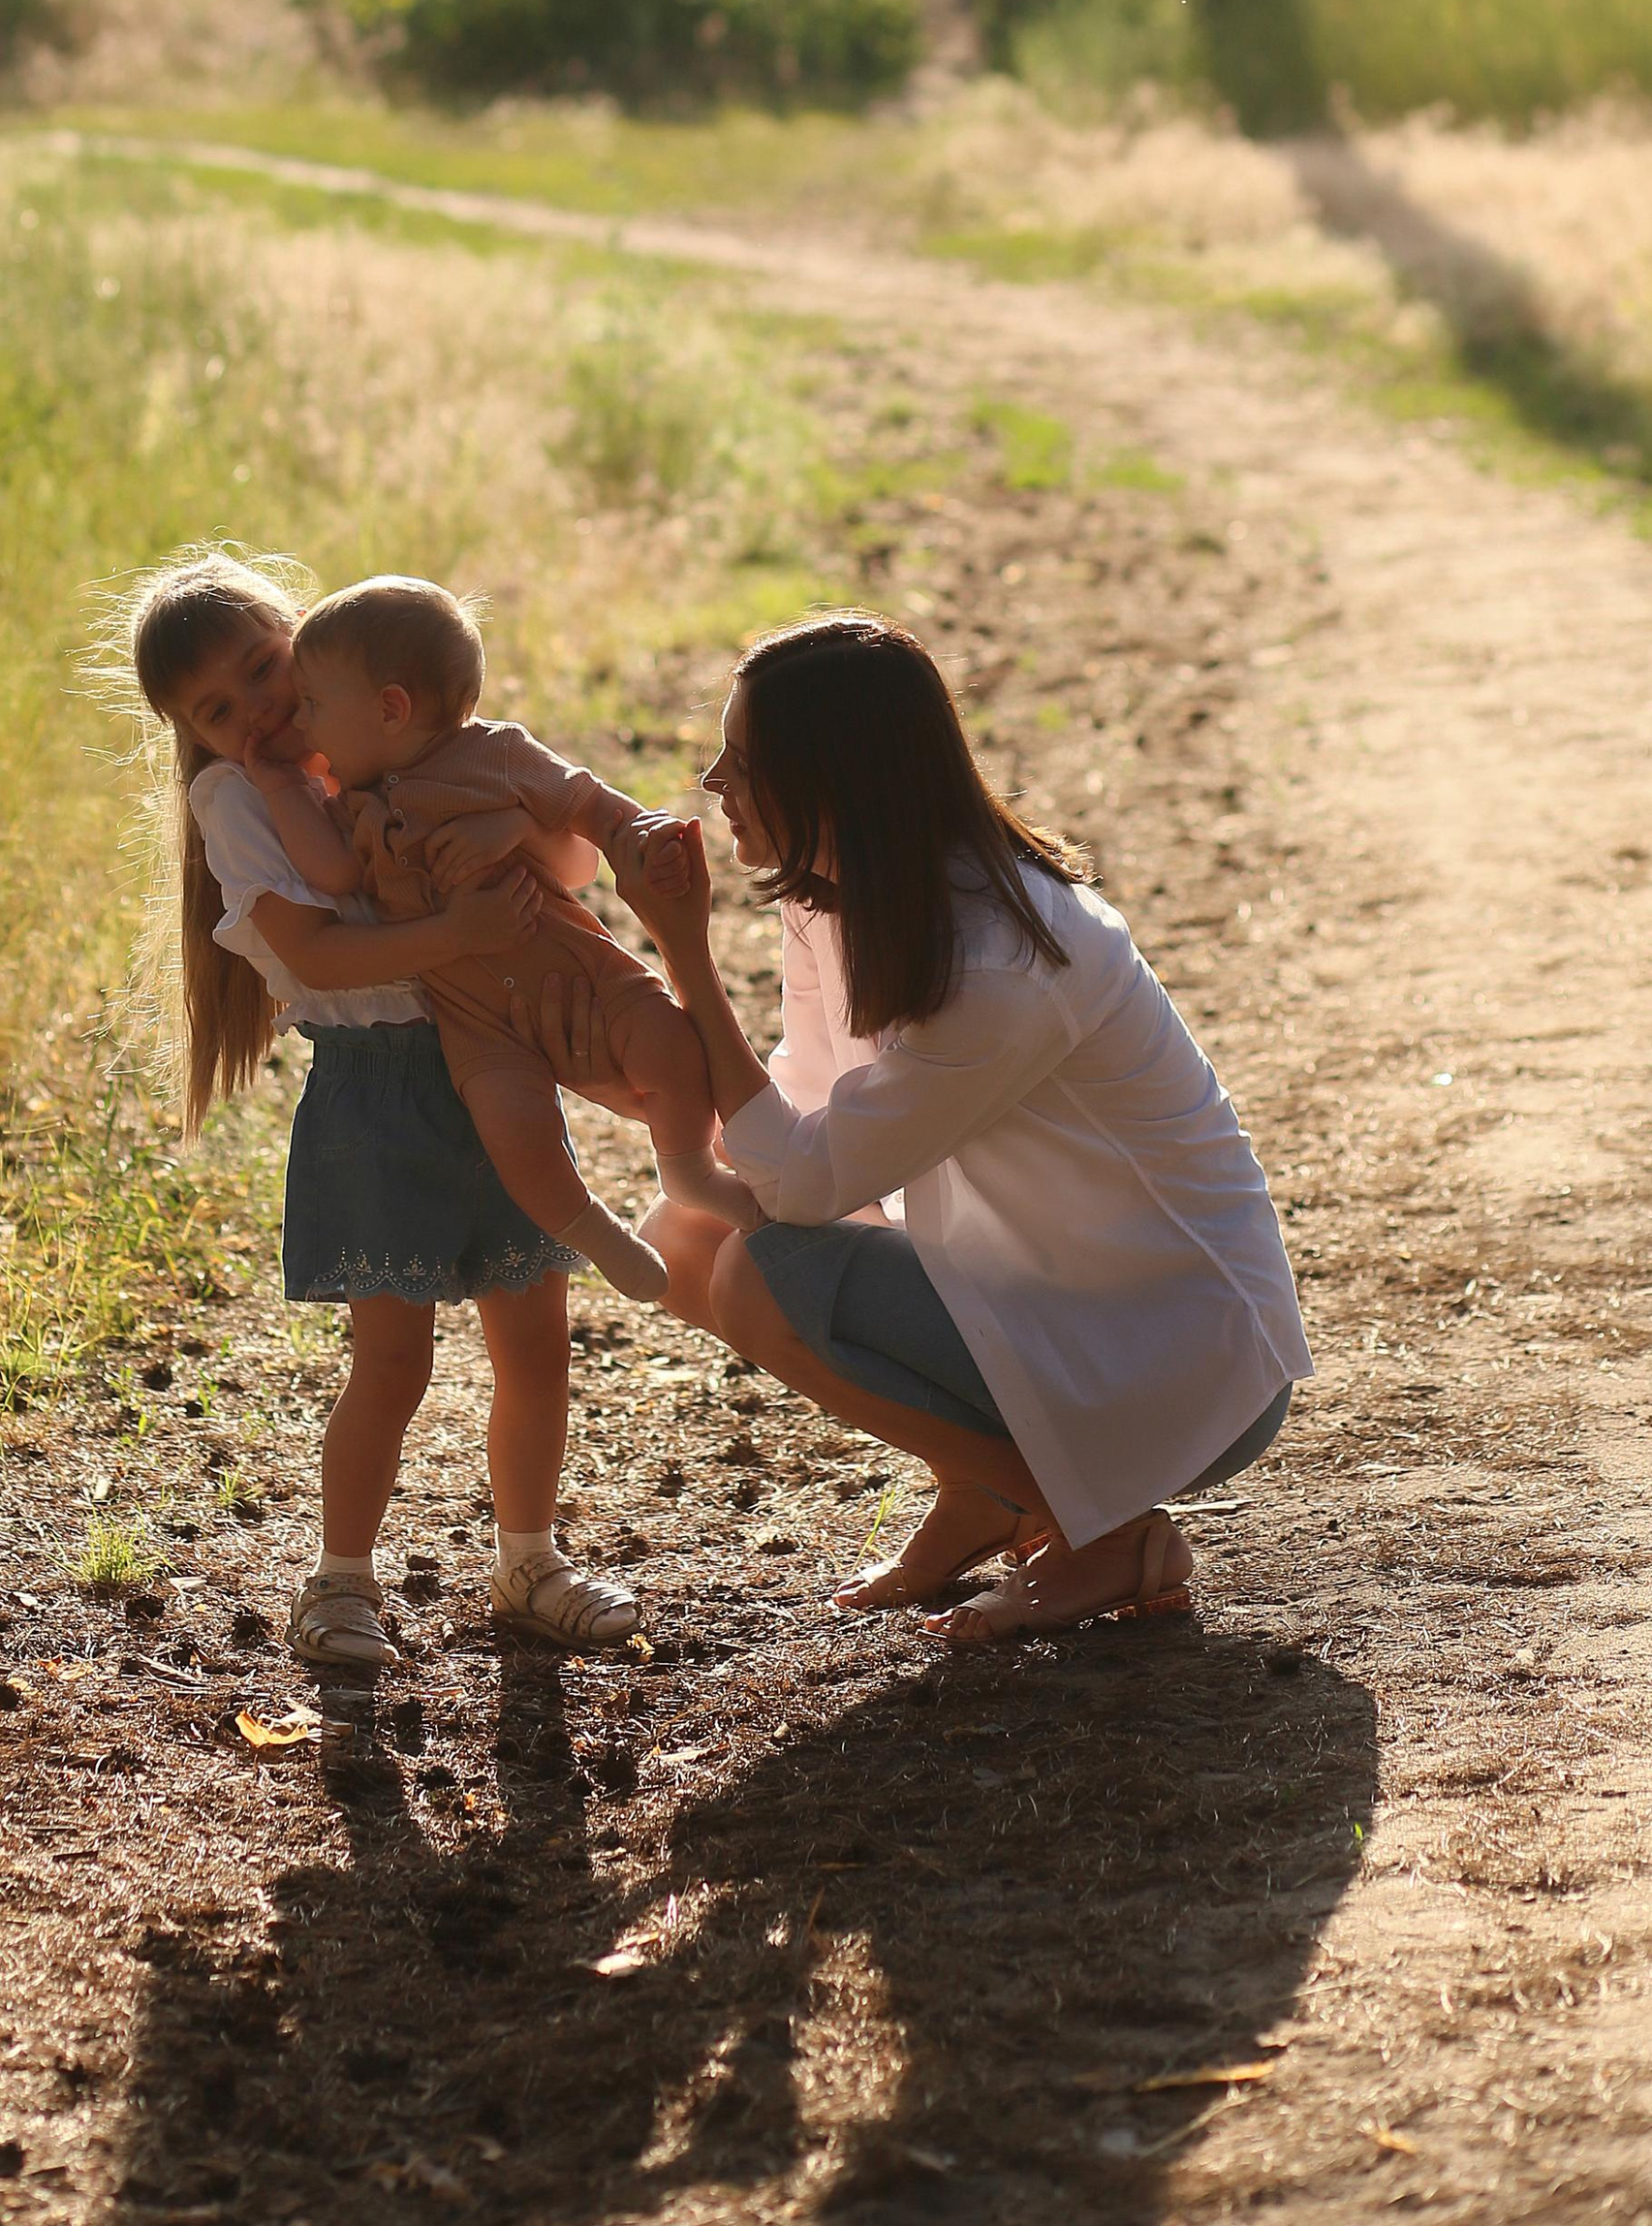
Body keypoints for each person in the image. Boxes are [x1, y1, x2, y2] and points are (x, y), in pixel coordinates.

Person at [545, 613, 1311, 1646]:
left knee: (764, 1274)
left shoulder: (1003, 967)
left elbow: (809, 1184)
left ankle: (1109, 1535)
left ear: (833, 780)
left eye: (742, 759)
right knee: (687, 1240)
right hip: (1034, 1291)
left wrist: (684, 956)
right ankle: (990, 1489)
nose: (712, 780)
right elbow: (801, 1100)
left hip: (1173, 1345)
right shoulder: (837, 896)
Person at [123, 549, 643, 1669]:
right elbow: (322, 943)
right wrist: (455, 935)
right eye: (219, 707)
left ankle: (530, 1562)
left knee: (537, 1339)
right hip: (379, 1093)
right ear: (194, 734)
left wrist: (516, 847)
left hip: (487, 1053)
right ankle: (341, 1582)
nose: (259, 710)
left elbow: (556, 857)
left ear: (304, 645)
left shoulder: (387, 742)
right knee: (393, 1358)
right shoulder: (240, 799)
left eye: (268, 670)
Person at [252, 574, 756, 1304]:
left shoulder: (497, 757)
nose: (302, 725)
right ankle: (591, 1226)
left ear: (391, 709)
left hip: (581, 968)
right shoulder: (350, 804)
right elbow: (329, 873)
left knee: (672, 1047)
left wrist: (635, 834)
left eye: (314, 706)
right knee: (514, 1132)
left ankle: (688, 1170)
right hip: (480, 1025)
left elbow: (588, 803)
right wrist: (275, 788)